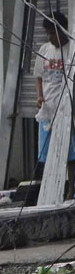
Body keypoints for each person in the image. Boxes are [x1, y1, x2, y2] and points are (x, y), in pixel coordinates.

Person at [37, 11, 75, 199]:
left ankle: (71, 190)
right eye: (48, 33)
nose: (50, 37)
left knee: (70, 153)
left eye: (52, 33)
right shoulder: (44, 50)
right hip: (48, 110)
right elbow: (38, 76)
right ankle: (51, 190)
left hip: (66, 111)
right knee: (47, 153)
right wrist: (39, 96)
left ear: (61, 30)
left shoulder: (71, 51)